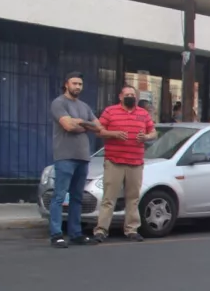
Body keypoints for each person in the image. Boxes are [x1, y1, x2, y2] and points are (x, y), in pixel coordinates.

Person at [93, 86, 157, 243]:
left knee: (133, 198)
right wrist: (113, 134)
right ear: (120, 97)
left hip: (135, 162)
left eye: (132, 95)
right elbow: (98, 130)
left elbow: (154, 132)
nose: (130, 97)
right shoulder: (110, 111)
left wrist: (147, 137)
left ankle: (131, 230)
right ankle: (101, 230)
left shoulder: (143, 113)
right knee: (109, 197)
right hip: (114, 161)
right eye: (127, 94)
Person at [48, 72, 101, 248]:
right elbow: (68, 126)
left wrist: (80, 123)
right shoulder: (59, 103)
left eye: (80, 84)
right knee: (59, 196)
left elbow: (99, 126)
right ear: (66, 84)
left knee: (77, 197)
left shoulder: (84, 106)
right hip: (65, 156)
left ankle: (75, 233)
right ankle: (56, 234)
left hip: (83, 157)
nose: (77, 87)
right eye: (74, 83)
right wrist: (84, 124)